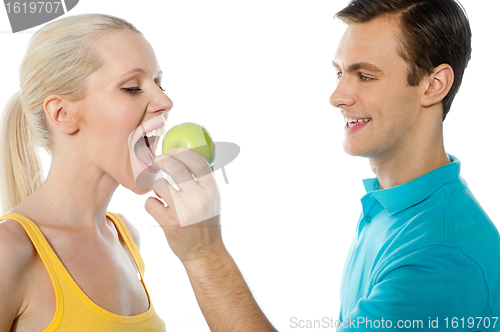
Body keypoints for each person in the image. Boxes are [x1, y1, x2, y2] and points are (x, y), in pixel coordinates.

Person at [145, 0, 500, 331]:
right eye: (339, 73)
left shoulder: (438, 259)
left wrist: (203, 252)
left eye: (365, 76)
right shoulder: (397, 208)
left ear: (433, 85)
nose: (337, 97)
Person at [0, 14, 174, 331]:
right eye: (133, 88)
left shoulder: (125, 237)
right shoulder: (7, 251)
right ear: (62, 113)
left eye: (159, 83)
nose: (165, 101)